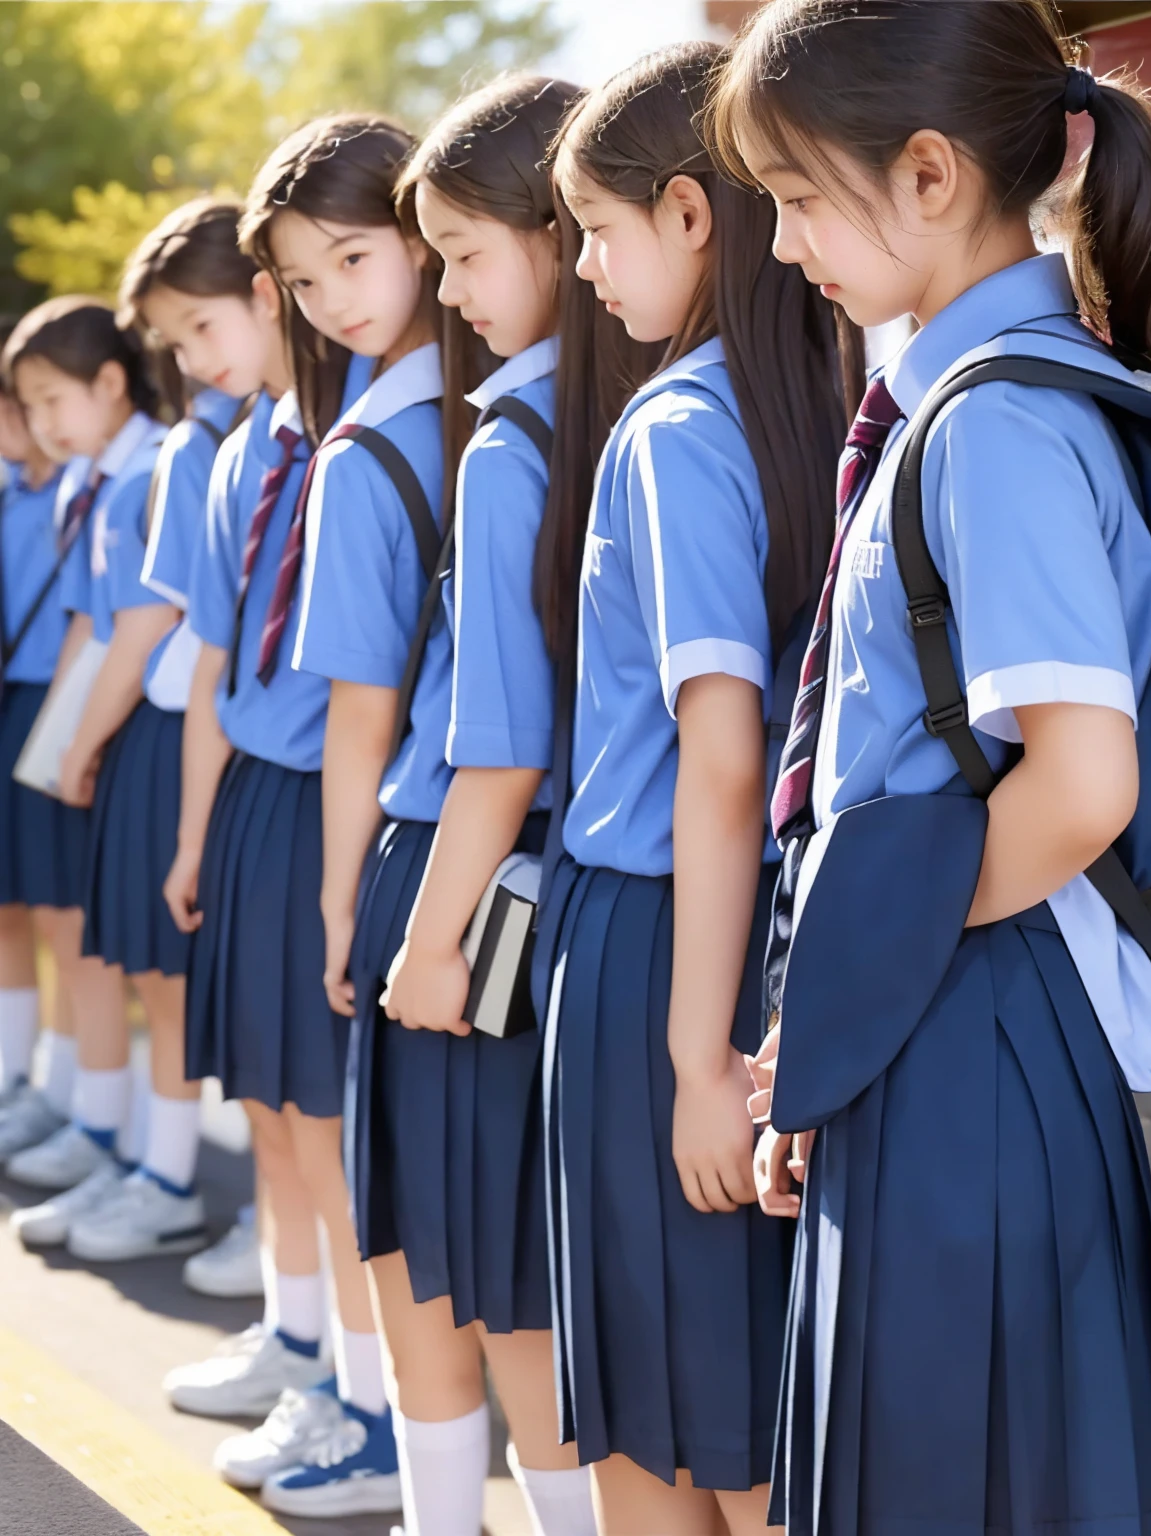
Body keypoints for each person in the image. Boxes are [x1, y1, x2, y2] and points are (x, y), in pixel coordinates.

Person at [708, 2, 1151, 1531]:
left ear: (929, 174)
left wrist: (860, 982)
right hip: (955, 1012)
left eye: (796, 198)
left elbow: (1080, 785)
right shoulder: (989, 394)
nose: (783, 246)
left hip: (974, 1028)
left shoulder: (994, 426)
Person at [536, 41, 852, 1536]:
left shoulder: (674, 427)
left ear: (688, 213)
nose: (585, 270)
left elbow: (719, 765)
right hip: (774, 940)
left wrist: (688, 1063)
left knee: (657, 1419)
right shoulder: (830, 394)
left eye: (597, 229)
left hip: (662, 950)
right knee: (750, 1397)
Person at [323, 74, 593, 1536]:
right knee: (519, 1267)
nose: (447, 287)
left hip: (466, 879)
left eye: (467, 252)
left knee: (445, 1260)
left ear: (563, 233)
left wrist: (417, 943)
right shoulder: (692, 398)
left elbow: (492, 746)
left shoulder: (513, 439)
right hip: (576, 890)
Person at [178, 114, 429, 1522]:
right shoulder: (277, 442)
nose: (331, 297)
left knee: (335, 1127)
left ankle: (374, 1405)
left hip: (364, 809)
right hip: (283, 797)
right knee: (280, 1105)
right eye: (303, 275)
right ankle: (313, 1359)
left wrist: (344, 888)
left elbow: (367, 701)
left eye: (355, 258)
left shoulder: (412, 426)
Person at [157, 233, 336, 1434]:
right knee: (268, 1103)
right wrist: (189, 837)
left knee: (322, 1120)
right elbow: (215, 659)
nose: (192, 359)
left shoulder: (366, 443)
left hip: (335, 800)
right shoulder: (242, 456)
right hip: (253, 796)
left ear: (267, 300)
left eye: (204, 328)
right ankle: (294, 1333)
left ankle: (354, 1386)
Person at [51, 201, 252, 1264]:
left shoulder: (217, 448)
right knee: (163, 981)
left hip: (206, 744)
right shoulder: (205, 444)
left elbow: (142, 631)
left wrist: (79, 746)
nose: (191, 357)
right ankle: (163, 1170)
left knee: (194, 992)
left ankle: (195, 1186)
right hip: (186, 736)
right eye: (176, 339)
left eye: (199, 327)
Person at [1, 299, 156, 1243]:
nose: (41, 423)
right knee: (36, 914)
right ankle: (64, 1102)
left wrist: (71, 743)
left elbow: (108, 630)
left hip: (85, 716)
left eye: (49, 400)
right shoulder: (77, 485)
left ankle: (102, 1123)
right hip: (54, 713)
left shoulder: (133, 477)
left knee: (80, 930)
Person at [0, 324, 81, 1167]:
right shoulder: (10, 493)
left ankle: (65, 1096)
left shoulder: (83, 492)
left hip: (59, 707)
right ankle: (15, 1080)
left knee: (63, 917)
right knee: (10, 911)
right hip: (13, 701)